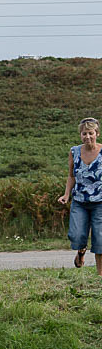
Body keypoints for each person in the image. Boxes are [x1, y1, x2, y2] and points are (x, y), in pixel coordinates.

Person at [58, 117, 102, 275]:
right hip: (79, 200)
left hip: (100, 201)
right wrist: (66, 195)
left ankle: (100, 275)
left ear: (97, 133)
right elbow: (71, 176)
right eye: (84, 134)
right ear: (80, 135)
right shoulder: (74, 151)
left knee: (100, 239)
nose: (88, 137)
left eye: (91, 133)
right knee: (76, 236)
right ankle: (81, 251)